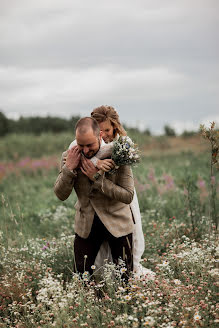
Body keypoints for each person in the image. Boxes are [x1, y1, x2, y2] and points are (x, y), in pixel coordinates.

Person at [68, 106, 148, 278]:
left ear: (115, 128)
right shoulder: (84, 146)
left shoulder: (122, 145)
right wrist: (96, 163)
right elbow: (78, 154)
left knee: (127, 238)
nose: (103, 134)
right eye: (100, 130)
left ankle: (126, 274)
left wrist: (97, 171)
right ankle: (104, 277)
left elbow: (126, 192)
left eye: (107, 130)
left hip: (119, 200)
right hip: (92, 208)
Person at [54, 117, 135, 278]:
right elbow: (60, 194)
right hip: (86, 224)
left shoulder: (119, 154)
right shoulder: (69, 157)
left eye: (89, 145)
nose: (85, 150)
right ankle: (93, 301)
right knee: (82, 277)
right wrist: (69, 168)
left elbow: (127, 195)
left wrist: (96, 178)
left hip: (118, 221)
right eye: (80, 145)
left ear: (100, 136)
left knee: (125, 279)